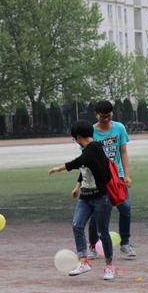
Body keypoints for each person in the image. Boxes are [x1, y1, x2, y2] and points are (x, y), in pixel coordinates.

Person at [49, 120, 115, 280]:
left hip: (101, 198)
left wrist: (60, 168)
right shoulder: (89, 151)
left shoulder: (95, 148)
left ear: (78, 137)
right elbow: (85, 167)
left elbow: (79, 162)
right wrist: (77, 186)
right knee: (77, 225)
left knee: (102, 233)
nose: (75, 141)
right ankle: (83, 261)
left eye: (74, 138)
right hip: (85, 197)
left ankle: (109, 266)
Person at [82, 100, 136, 260]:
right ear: (96, 115)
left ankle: (125, 243)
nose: (105, 119)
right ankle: (92, 244)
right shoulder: (90, 131)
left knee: (125, 207)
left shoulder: (119, 128)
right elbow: (86, 157)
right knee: (97, 212)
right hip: (97, 178)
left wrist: (126, 174)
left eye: (108, 115)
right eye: (102, 116)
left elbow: (123, 152)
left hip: (116, 176)